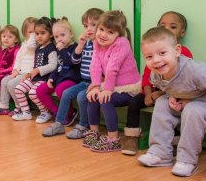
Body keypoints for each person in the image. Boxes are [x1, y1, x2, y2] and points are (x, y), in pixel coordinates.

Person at [137, 27, 206, 177]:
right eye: (149, 57)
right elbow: (171, 88)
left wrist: (189, 101)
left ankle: (187, 160)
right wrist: (174, 97)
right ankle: (161, 153)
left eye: (162, 53)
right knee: (161, 102)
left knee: (193, 109)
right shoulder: (156, 76)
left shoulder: (196, 71)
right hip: (187, 101)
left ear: (177, 51)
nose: (156, 60)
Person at [123, 11, 193, 156]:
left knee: (175, 107)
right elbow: (147, 75)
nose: (167, 29)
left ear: (182, 32)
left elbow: (182, 80)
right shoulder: (153, 52)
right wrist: (148, 94)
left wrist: (161, 93)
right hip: (152, 92)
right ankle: (131, 136)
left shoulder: (183, 52)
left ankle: (174, 141)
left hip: (172, 94)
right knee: (134, 101)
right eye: (163, 25)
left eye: (172, 27)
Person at [85, 10, 141, 152]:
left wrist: (108, 90)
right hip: (113, 85)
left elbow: (112, 68)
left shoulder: (122, 43)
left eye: (110, 32)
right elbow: (95, 65)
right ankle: (94, 132)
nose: (103, 35)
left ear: (118, 35)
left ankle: (113, 139)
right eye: (101, 29)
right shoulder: (97, 43)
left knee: (105, 99)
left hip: (129, 88)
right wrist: (96, 86)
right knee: (92, 95)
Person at [42, 8, 103, 138]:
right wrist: (80, 45)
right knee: (66, 93)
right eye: (86, 26)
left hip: (97, 83)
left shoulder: (102, 44)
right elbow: (75, 60)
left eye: (93, 25)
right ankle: (59, 123)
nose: (89, 29)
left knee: (81, 97)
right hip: (84, 81)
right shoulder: (85, 44)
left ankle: (83, 125)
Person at [35, 18, 81, 124]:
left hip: (71, 79)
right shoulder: (60, 49)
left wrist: (62, 50)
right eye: (56, 37)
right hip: (59, 78)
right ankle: (58, 113)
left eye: (62, 35)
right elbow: (57, 66)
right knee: (40, 90)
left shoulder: (76, 48)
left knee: (61, 90)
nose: (59, 39)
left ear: (71, 34)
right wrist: (51, 77)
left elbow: (70, 62)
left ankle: (70, 114)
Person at [12, 17, 58, 122]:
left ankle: (45, 112)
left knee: (33, 92)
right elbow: (35, 64)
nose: (39, 36)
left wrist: (37, 70)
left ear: (50, 34)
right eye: (37, 34)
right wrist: (29, 73)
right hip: (35, 77)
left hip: (44, 79)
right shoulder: (38, 49)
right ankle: (26, 112)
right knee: (18, 89)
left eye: (42, 33)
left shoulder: (51, 48)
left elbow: (53, 65)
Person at [0, 17, 37, 116]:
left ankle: (19, 107)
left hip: (28, 73)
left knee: (11, 84)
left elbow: (31, 46)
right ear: (24, 33)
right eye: (30, 32)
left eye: (35, 32)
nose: (33, 35)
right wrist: (15, 70)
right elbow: (18, 59)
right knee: (4, 80)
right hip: (20, 72)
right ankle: (4, 106)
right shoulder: (24, 44)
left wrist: (32, 36)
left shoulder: (34, 44)